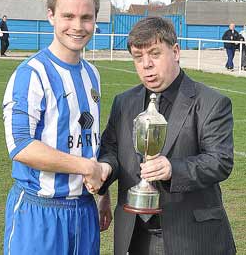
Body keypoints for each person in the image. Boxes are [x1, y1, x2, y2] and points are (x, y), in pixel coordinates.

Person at [97, 17, 236, 255]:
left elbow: (220, 161)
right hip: (133, 236)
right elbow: (110, 150)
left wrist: (173, 168)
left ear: (176, 51)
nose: (146, 64)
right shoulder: (124, 102)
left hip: (191, 239)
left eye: (154, 53)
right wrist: (105, 170)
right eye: (138, 57)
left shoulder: (211, 102)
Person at [2, 0, 112, 255]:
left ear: (95, 19)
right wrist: (85, 167)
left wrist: (103, 193)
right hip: (40, 213)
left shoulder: (92, 74)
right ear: (51, 16)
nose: (78, 26)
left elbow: (89, 140)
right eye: (68, 16)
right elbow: (21, 145)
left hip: (85, 212)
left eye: (86, 17)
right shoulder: (31, 74)